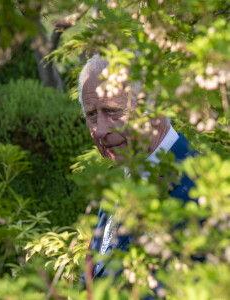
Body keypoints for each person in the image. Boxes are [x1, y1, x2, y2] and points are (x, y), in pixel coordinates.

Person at [78, 54, 197, 282]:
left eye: (112, 111)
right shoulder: (120, 183)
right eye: (92, 115)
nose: (100, 130)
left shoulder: (199, 186)